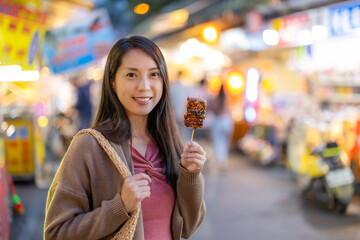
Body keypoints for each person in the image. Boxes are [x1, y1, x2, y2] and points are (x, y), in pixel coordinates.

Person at [44, 36, 207, 240]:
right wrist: (120, 207)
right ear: (112, 82)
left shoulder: (171, 144)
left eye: (154, 74)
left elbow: (188, 227)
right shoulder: (88, 146)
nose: (144, 86)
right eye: (132, 75)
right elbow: (56, 233)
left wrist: (191, 176)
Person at [209, 84, 234, 170]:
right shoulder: (227, 99)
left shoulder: (217, 99)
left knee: (218, 142)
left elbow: (212, 108)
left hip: (219, 122)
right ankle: (223, 161)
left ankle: (219, 160)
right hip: (227, 122)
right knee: (224, 142)